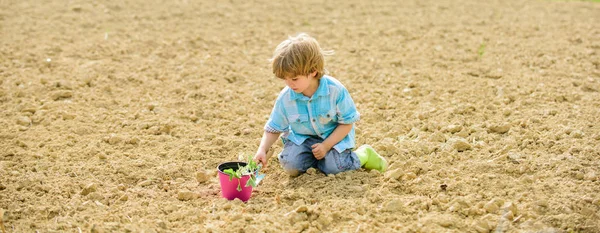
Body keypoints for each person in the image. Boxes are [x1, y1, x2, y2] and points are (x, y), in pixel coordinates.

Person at [253, 33, 387, 176]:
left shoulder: (335, 91)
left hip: (333, 138)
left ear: (312, 71)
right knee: (291, 167)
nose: (289, 84)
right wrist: (262, 149)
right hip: (303, 139)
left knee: (334, 167)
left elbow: (347, 123)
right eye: (285, 79)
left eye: (294, 78)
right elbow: (274, 127)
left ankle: (364, 155)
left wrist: (326, 145)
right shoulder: (286, 97)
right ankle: (319, 161)